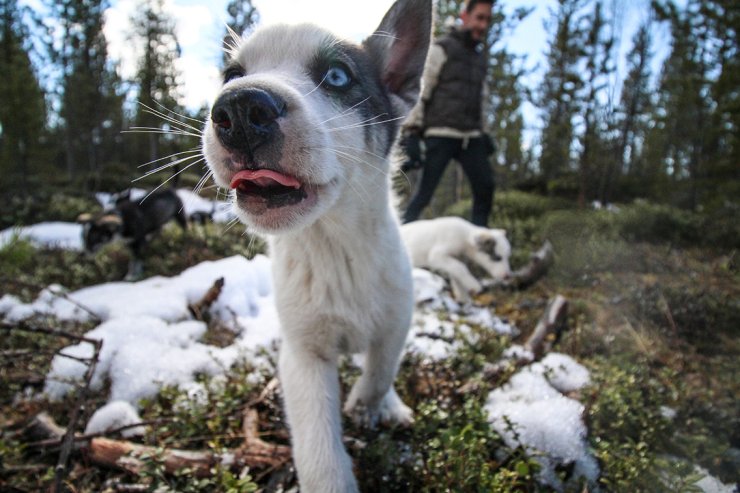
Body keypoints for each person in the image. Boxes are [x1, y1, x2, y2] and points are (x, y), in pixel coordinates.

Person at [401, 0, 495, 227]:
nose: (483, 25)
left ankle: (481, 239)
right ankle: (402, 236)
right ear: (465, 16)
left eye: (487, 20)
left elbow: (481, 99)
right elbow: (422, 90)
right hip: (441, 132)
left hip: (471, 136)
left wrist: (484, 132)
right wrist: (412, 130)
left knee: (486, 187)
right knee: (424, 194)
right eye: (479, 17)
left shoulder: (479, 59)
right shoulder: (442, 48)